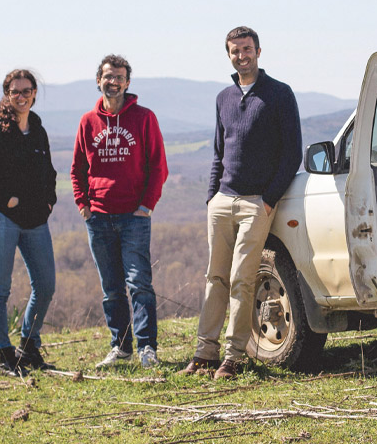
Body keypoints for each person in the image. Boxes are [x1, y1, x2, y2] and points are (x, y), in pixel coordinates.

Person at [184, 26, 302, 379]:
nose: (242, 55)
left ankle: (233, 357)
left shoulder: (280, 94)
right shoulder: (223, 97)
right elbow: (218, 153)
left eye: (247, 49)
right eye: (235, 51)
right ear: (229, 55)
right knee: (214, 277)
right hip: (222, 200)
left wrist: (268, 200)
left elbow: (292, 153)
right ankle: (205, 352)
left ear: (259, 51)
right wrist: (211, 197)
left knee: (241, 278)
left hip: (256, 203)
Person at [72, 54, 169, 369]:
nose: (112, 82)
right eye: (107, 76)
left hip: (134, 217)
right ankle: (120, 346)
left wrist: (147, 205)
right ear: (98, 80)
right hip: (98, 217)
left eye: (118, 77)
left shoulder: (143, 117)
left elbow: (158, 166)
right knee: (111, 288)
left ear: (127, 83)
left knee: (138, 282)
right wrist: (83, 205)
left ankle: (146, 348)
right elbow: (77, 169)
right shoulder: (88, 122)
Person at [0, 69, 58, 375]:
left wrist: (48, 201)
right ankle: (5, 355)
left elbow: (50, 172)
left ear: (34, 93)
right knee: (0, 289)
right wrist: (6, 199)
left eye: (27, 91)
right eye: (15, 91)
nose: (21, 96)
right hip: (0, 218)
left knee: (45, 285)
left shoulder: (38, 129)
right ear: (6, 93)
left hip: (35, 220)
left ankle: (28, 345)